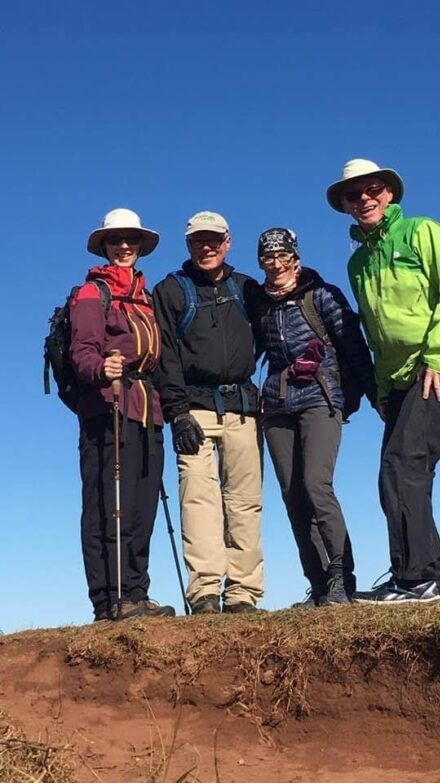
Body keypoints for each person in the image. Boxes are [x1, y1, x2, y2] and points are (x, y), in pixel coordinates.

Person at [326, 159, 440, 603]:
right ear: (345, 205)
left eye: (372, 190)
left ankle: (415, 579)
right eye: (353, 195)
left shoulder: (421, 232)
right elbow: (376, 331)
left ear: (389, 193)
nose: (364, 200)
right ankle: (437, 581)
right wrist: (380, 387)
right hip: (398, 381)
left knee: (400, 465)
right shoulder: (358, 262)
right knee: (408, 470)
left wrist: (437, 357)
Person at [254, 228, 377, 606]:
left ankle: (343, 579)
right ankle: (319, 584)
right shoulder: (259, 303)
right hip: (276, 405)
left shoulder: (322, 296)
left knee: (316, 485)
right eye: (267, 257)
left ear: (295, 257)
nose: (275, 264)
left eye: (282, 256)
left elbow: (354, 348)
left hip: (320, 399)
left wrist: (373, 396)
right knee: (293, 496)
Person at [152, 211, 264, 614]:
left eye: (214, 239)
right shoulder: (171, 290)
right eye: (198, 240)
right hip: (194, 411)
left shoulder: (248, 288)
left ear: (228, 241)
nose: (207, 247)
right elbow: (165, 355)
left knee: (245, 501)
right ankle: (204, 592)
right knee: (197, 500)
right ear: (188, 245)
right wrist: (177, 413)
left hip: (244, 410)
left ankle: (242, 593)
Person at [70, 208, 175, 621]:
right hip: (106, 407)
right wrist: (101, 368)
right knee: (106, 504)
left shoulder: (146, 299)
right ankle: (108, 600)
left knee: (141, 504)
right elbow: (82, 352)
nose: (124, 247)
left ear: (141, 247)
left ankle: (134, 590)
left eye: (131, 240)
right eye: (116, 241)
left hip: (148, 409)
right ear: (105, 246)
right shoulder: (92, 293)